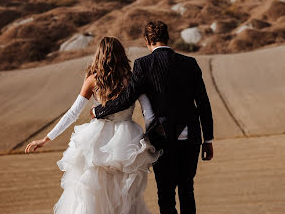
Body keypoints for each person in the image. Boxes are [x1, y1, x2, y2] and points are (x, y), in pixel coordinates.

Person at [25, 37, 161, 214]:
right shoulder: (133, 80)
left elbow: (72, 113)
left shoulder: (93, 80)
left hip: (97, 140)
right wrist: (154, 140)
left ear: (100, 55)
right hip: (127, 141)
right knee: (125, 196)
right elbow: (149, 113)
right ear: (122, 55)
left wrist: (46, 138)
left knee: (92, 193)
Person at [92, 21, 214, 214]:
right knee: (187, 190)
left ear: (147, 40)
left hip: (161, 137)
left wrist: (98, 111)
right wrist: (208, 139)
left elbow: (127, 98)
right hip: (190, 136)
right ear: (168, 37)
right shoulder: (190, 63)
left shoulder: (143, 64)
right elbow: (204, 103)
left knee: (165, 194)